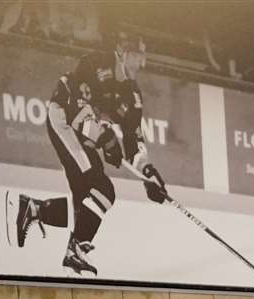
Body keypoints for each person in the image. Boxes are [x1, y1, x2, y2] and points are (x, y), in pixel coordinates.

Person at [10, 22, 167, 275]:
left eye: (143, 57)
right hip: (62, 119)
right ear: (121, 52)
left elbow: (133, 137)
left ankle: (35, 210)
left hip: (83, 130)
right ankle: (75, 249)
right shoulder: (93, 64)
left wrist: (146, 171)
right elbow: (74, 109)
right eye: (137, 56)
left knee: (86, 202)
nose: (141, 64)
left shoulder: (132, 93)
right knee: (103, 189)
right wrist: (104, 138)